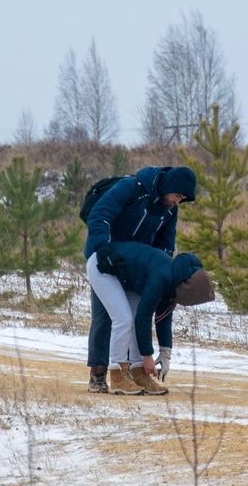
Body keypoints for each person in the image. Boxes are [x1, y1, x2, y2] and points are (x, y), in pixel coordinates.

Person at [83, 166, 197, 392]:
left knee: (134, 317)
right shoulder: (131, 188)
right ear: (169, 187)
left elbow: (165, 245)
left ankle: (136, 373)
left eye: (182, 199)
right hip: (106, 258)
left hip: (136, 267)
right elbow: (100, 215)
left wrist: (157, 273)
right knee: (108, 316)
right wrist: (103, 251)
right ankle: (98, 373)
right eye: (178, 195)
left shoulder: (169, 210)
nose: (177, 201)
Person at [88, 242, 215, 395]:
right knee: (124, 319)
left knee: (133, 319)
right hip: (102, 265)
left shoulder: (177, 280)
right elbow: (144, 317)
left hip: (125, 276)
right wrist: (147, 356)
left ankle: (138, 373)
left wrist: (165, 354)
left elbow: (163, 318)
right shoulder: (162, 277)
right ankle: (118, 375)